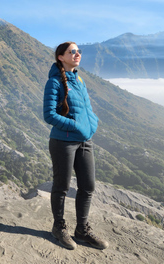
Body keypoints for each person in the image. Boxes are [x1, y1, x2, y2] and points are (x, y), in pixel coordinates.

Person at [43, 41, 109, 250]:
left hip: (84, 141)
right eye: (72, 51)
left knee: (88, 186)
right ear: (61, 57)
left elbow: (86, 107)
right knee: (61, 187)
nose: (77, 54)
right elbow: (49, 115)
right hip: (63, 141)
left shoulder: (79, 80)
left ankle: (82, 230)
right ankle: (59, 227)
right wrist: (75, 126)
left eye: (79, 51)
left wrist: (92, 123)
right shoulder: (54, 83)